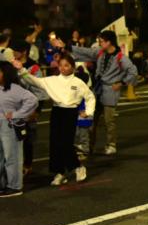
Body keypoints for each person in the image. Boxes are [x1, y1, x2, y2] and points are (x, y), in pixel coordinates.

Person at [13, 53, 95, 186]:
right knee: (55, 142)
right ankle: (60, 173)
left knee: (66, 143)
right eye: (61, 65)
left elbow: (90, 97)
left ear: (73, 67)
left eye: (67, 65)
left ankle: (78, 167)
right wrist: (21, 69)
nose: (63, 68)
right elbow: (34, 81)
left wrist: (89, 112)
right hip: (57, 111)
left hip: (70, 112)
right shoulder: (53, 80)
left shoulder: (78, 82)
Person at [52, 30, 138, 155]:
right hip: (97, 90)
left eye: (102, 41)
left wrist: (121, 83)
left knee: (109, 121)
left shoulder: (121, 57)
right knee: (90, 118)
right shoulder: (100, 52)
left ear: (109, 42)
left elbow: (133, 72)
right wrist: (67, 47)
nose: (99, 43)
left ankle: (111, 144)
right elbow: (86, 52)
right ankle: (88, 146)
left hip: (110, 91)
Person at [9, 40, 48, 175]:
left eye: (16, 51)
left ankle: (28, 164)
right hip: (13, 107)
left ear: (24, 52)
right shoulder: (11, 64)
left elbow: (40, 91)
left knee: (28, 138)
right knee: (14, 138)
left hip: (29, 108)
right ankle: (16, 165)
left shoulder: (34, 67)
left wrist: (37, 111)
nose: (13, 53)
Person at [0, 62, 38, 197]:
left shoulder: (15, 89)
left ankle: (15, 186)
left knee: (13, 157)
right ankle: (3, 184)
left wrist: (18, 114)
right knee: (1, 158)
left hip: (10, 126)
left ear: (6, 73)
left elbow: (33, 100)